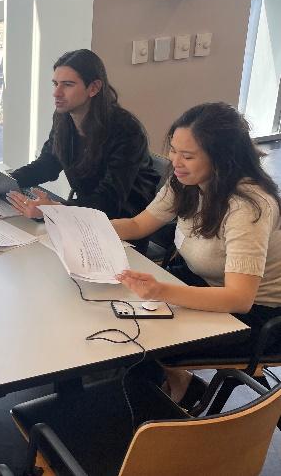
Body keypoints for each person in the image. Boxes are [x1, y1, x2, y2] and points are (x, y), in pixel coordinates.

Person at [112, 102, 281, 404]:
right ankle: (179, 390)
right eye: (174, 150)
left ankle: (155, 424)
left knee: (140, 343)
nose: (175, 162)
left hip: (259, 314)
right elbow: (139, 224)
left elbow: (238, 299)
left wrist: (162, 290)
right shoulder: (186, 181)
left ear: (222, 158)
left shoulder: (248, 206)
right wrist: (77, 225)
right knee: (121, 313)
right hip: (205, 282)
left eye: (187, 155)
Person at [0, 49, 159, 222]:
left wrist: (56, 210)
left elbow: (109, 200)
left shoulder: (126, 130)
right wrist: (7, 181)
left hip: (124, 223)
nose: (56, 93)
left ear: (93, 88)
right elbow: (48, 163)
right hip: (84, 212)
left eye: (68, 85)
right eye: (55, 84)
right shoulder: (63, 116)